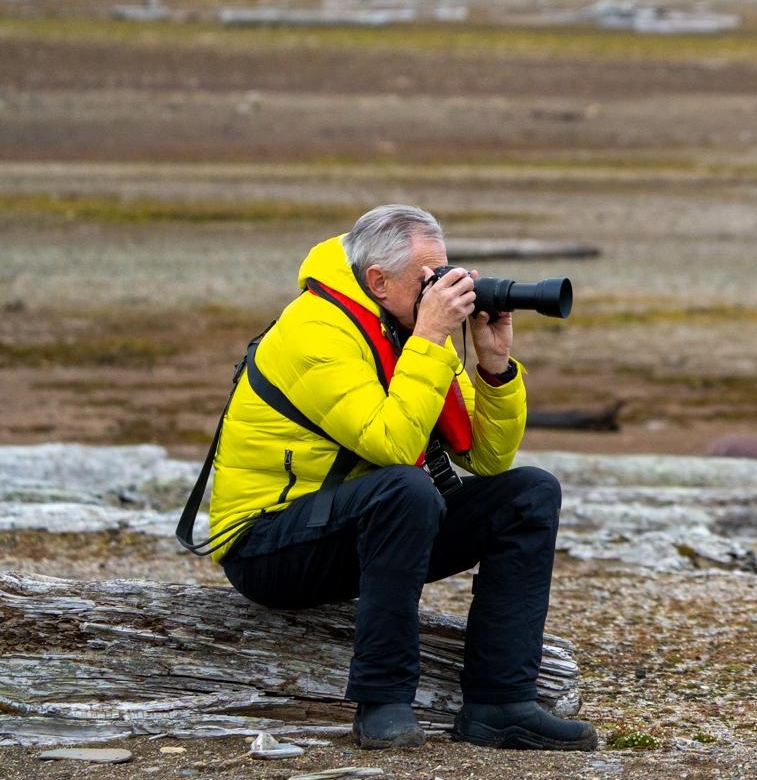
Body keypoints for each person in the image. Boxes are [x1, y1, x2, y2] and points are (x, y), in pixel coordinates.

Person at [203, 203, 597, 751]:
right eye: (427, 279)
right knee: (406, 488)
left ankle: (500, 702)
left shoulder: (408, 327)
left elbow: (487, 461)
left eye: (444, 272)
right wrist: (432, 336)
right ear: (378, 280)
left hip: (363, 527)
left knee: (530, 493)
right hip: (267, 545)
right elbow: (391, 444)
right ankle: (383, 702)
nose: (442, 288)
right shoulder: (316, 332)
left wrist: (495, 367)